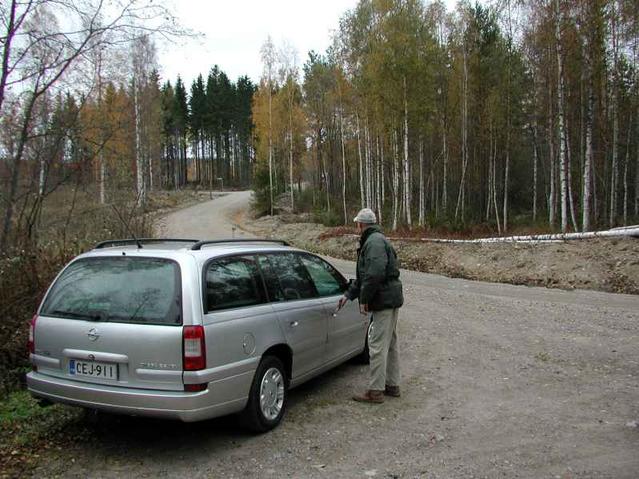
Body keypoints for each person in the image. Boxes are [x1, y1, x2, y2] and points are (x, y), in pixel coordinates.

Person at [337, 208, 404, 403]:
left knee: (376, 345)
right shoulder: (376, 239)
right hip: (389, 298)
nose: (356, 226)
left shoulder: (373, 242)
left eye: (357, 223)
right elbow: (365, 276)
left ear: (361, 224)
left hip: (383, 300)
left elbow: (374, 275)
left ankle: (375, 391)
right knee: (390, 343)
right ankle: (392, 385)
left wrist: (364, 299)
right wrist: (348, 295)